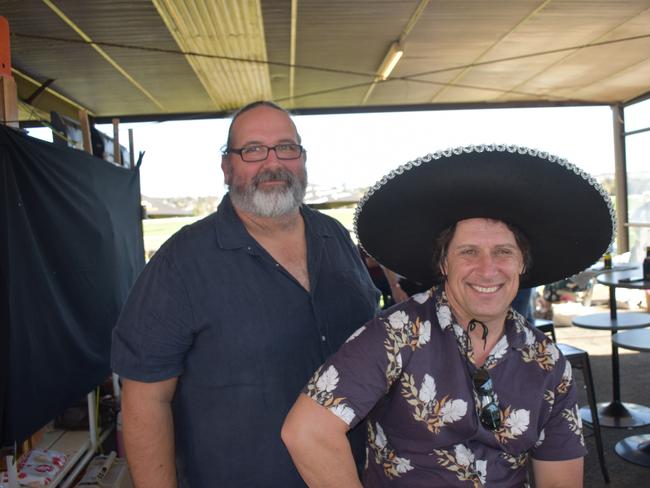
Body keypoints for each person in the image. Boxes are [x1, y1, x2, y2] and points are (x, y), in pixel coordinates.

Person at [282, 144, 615, 487]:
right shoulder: (396, 334)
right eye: (468, 252)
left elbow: (561, 480)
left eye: (503, 252)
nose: (488, 270)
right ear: (444, 263)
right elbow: (308, 431)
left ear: (521, 264)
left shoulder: (547, 362)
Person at [111, 100, 379, 487]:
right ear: (226, 167)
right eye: (252, 150)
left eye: (286, 147)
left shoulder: (334, 237)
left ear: (302, 159)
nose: (273, 163)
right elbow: (145, 398)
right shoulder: (181, 263)